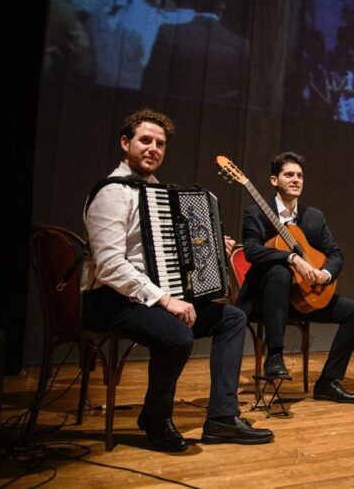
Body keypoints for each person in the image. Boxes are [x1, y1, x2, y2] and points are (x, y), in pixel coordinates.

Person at [81, 108, 274, 451]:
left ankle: (221, 419)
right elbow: (110, 266)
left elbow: (176, 251)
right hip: (109, 300)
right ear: (125, 143)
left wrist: (214, 245)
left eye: (160, 143)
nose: (153, 148)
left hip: (146, 299)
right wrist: (165, 300)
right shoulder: (113, 193)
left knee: (232, 317)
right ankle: (155, 419)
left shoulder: (159, 195)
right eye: (145, 140)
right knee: (177, 336)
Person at [239, 152, 354, 403]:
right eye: (289, 175)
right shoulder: (256, 213)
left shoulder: (314, 217)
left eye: (300, 176)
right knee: (278, 271)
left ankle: (328, 382)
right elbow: (252, 250)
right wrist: (291, 258)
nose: (296, 179)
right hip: (265, 299)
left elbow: (335, 254)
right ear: (274, 180)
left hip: (302, 296)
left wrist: (325, 273)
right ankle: (274, 355)